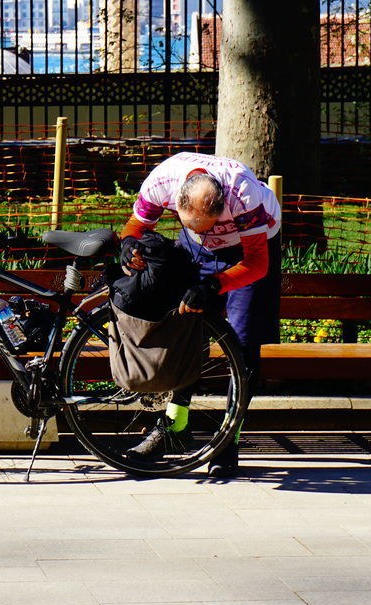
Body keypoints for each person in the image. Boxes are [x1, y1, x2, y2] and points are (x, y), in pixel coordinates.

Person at [118, 151, 282, 474]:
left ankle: (228, 440)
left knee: (244, 344)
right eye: (191, 222)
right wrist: (127, 244)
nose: (204, 229)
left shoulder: (243, 193)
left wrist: (214, 286)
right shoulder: (163, 180)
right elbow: (134, 226)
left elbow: (256, 263)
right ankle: (175, 428)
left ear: (222, 209)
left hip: (250, 247)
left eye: (209, 225)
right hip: (197, 246)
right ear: (177, 202)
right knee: (185, 324)